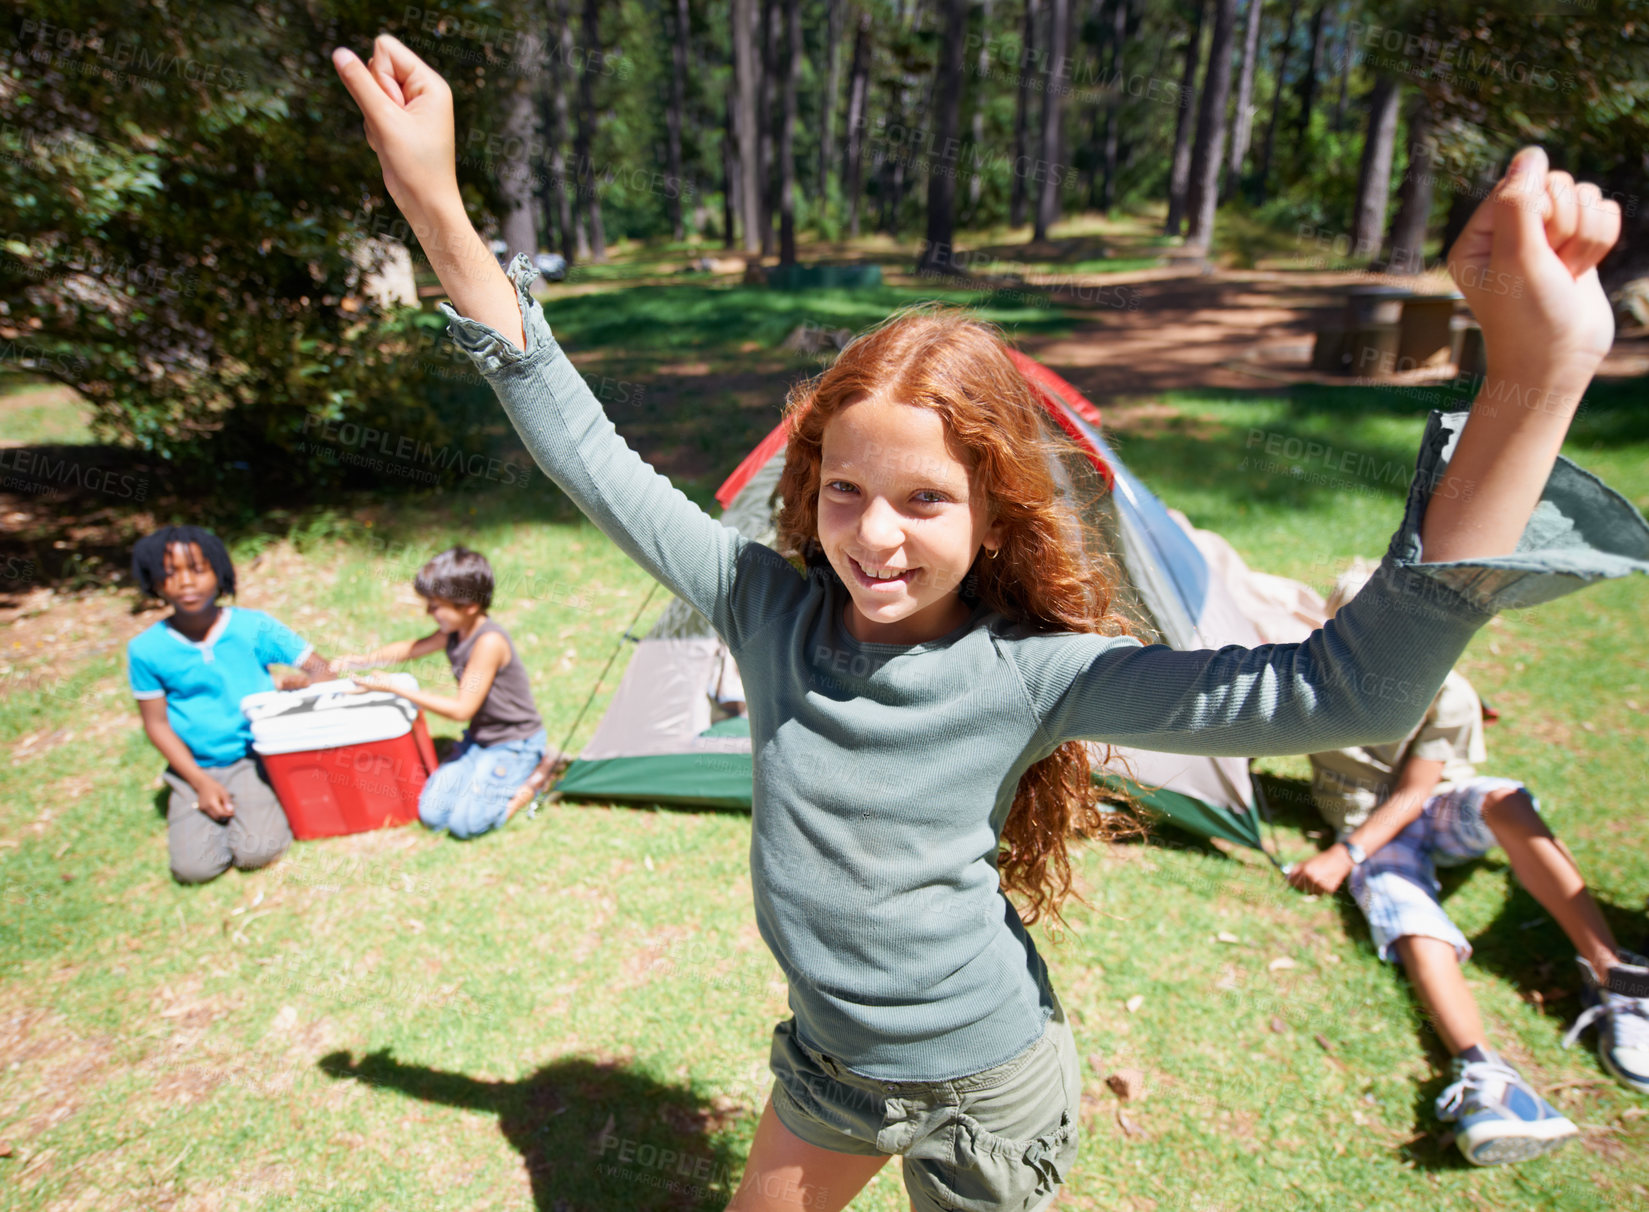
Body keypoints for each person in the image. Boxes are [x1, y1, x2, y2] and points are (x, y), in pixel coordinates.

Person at [332, 34, 1646, 1211]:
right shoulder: (761, 606)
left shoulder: (1035, 672)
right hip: (829, 1071)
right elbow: (585, 449)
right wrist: (437, 206)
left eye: (922, 498)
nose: (875, 532)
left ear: (990, 511)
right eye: (844, 490)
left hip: (985, 1089)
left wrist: (1534, 381)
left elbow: (1346, 694)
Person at [1288, 563, 1649, 1166]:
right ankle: (1487, 1073)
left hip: (1424, 810)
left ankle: (1614, 973)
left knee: (1507, 799)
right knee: (1410, 917)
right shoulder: (1310, 673)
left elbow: (1412, 794)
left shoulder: (1448, 693)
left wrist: (1343, 855)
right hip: (1370, 831)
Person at [127, 525, 333, 884]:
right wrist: (199, 782)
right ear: (155, 583)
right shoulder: (146, 650)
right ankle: (197, 798)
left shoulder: (253, 626)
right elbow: (156, 725)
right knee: (194, 869)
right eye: (170, 573)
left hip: (256, 758)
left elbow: (321, 669)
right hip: (194, 766)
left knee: (257, 851)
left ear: (219, 572)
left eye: (198, 569)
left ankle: (266, 799)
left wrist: (295, 694)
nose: (186, 583)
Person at [333, 546, 548, 839]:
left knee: (466, 825)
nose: (429, 612)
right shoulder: (456, 630)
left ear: (469, 605)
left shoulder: (489, 643)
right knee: (432, 815)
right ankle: (479, 775)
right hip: (478, 740)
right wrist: (362, 660)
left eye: (435, 606)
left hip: (513, 743)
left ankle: (537, 778)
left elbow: (462, 710)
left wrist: (393, 688)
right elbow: (411, 649)